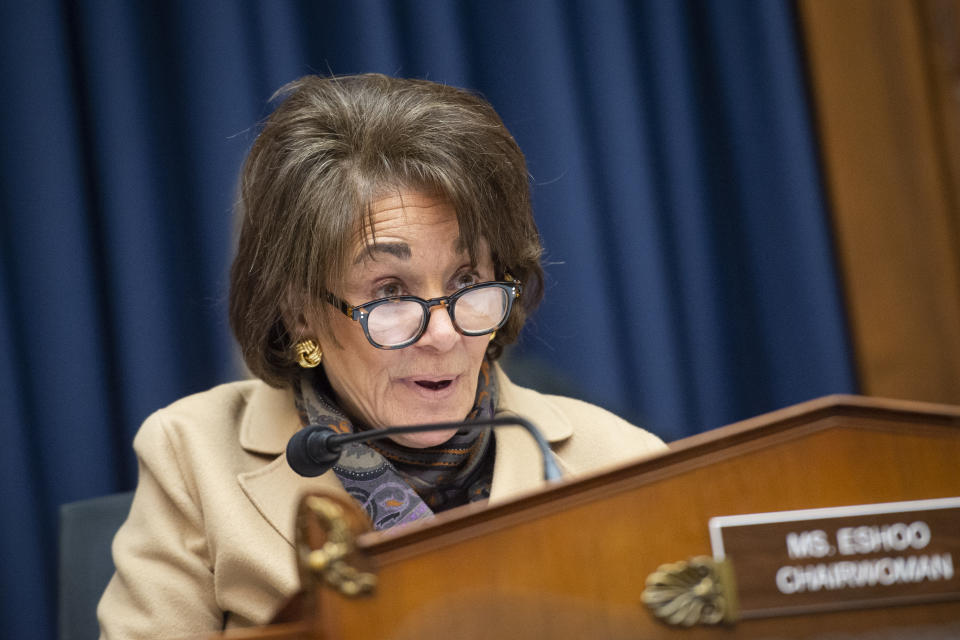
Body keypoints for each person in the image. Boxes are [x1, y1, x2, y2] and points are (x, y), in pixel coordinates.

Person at [97, 73, 667, 638]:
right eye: (390, 292)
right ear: (299, 311)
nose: (442, 334)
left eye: (469, 279)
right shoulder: (193, 457)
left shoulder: (624, 462)